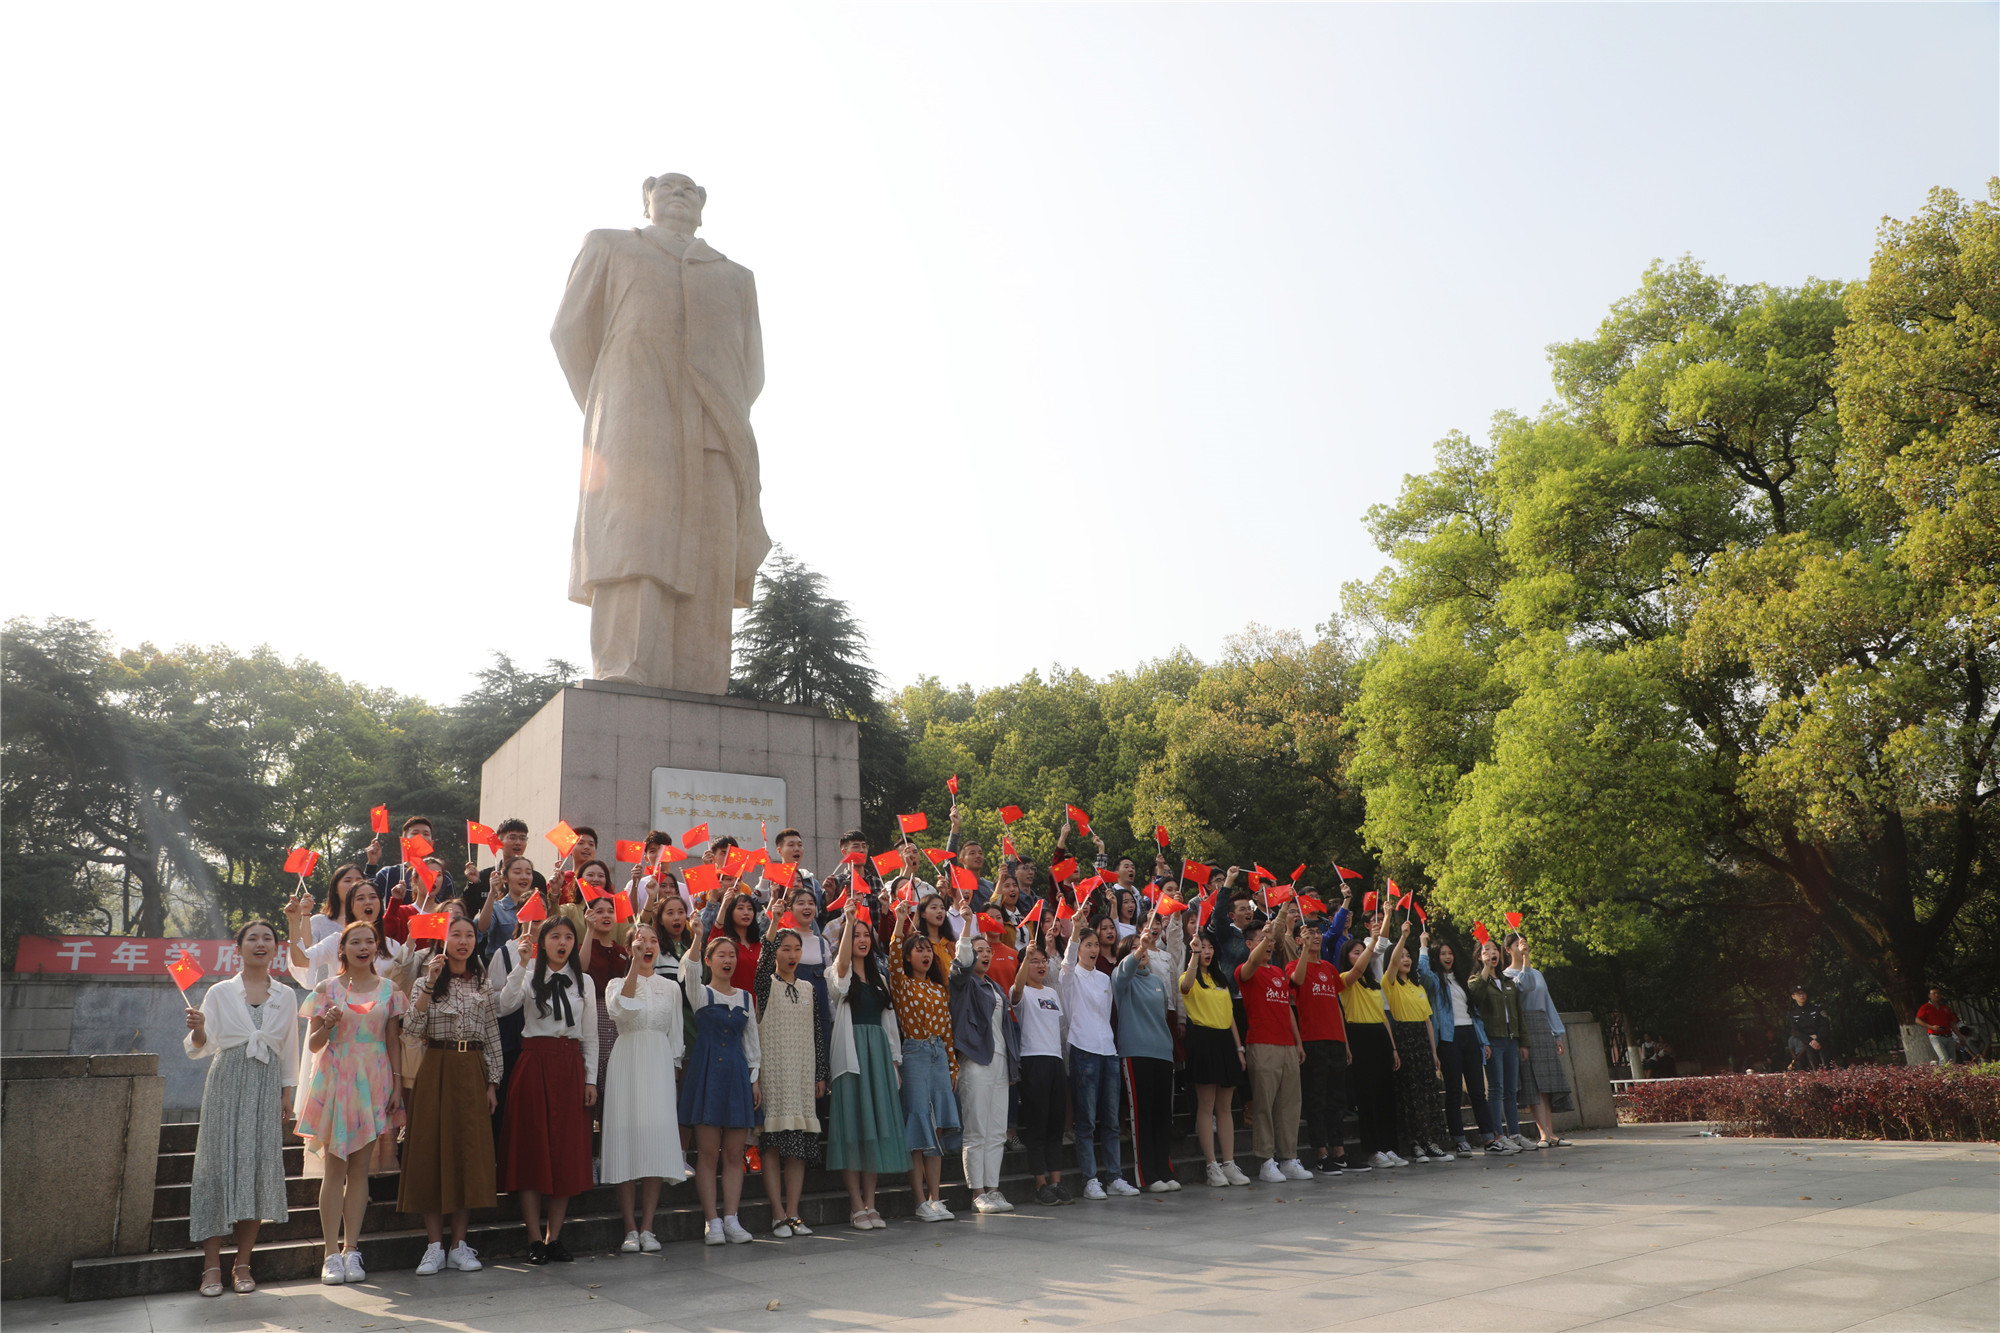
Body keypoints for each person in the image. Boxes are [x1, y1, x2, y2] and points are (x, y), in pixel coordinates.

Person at [184, 920, 297, 1297]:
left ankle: (243, 1263)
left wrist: (288, 1090)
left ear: (276, 948)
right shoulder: (219, 992)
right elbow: (202, 1044)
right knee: (215, 1168)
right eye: (253, 938)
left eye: (268, 938)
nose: (260, 944)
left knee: (256, 1167)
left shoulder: (285, 994)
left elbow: (290, 1047)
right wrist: (198, 1026)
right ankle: (211, 1267)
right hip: (226, 1080)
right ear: (239, 948)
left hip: (266, 1084)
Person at [296, 920, 405, 1286]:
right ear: (341, 949)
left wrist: (397, 1086)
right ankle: (330, 1253)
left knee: (361, 1169)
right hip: (336, 1075)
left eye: (369, 941)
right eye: (354, 941)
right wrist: (326, 1023)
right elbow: (313, 1044)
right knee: (334, 1169)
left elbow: (393, 1041)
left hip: (374, 1079)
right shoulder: (327, 988)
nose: (363, 947)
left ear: (377, 948)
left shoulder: (390, 990)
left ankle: (351, 1249)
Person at [399, 916, 502, 1276]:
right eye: (455, 934)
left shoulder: (483, 982)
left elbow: (491, 1032)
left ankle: (460, 1244)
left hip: (472, 1068)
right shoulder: (425, 980)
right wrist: (427, 983)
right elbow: (411, 1027)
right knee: (431, 1151)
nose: (462, 941)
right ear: (444, 940)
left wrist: (493, 1082)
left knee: (467, 1154)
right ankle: (433, 1247)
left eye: (468, 935)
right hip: (436, 1067)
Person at [494, 915, 599, 1263]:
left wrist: (590, 1079)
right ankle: (534, 1238)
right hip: (534, 1063)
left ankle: (556, 1237)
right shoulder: (529, 974)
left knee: (565, 1154)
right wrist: (521, 964)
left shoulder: (583, 981)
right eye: (555, 936)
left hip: (569, 1066)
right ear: (543, 942)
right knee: (532, 1149)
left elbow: (591, 1036)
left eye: (569, 936)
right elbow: (504, 1005)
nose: (563, 942)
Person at [601, 922, 687, 1253]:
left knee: (654, 1142)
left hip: (658, 1062)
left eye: (653, 941)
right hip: (627, 1060)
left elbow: (676, 1035)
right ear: (630, 947)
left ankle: (649, 1226)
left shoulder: (671, 987)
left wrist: (674, 1070)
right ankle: (630, 1228)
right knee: (626, 1141)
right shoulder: (616, 984)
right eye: (640, 940)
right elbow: (618, 1011)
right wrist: (634, 965)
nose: (647, 945)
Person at [680, 911, 761, 1245]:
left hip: (737, 1076)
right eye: (721, 955)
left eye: (732, 955)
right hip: (707, 1074)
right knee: (709, 1154)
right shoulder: (701, 994)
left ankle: (731, 1218)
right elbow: (690, 971)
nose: (728, 960)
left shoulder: (745, 997)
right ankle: (711, 1221)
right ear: (711, 961)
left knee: (733, 1154)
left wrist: (754, 1079)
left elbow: (752, 1043)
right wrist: (698, 937)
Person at [826, 902, 906, 1229]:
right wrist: (847, 921)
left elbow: (890, 1026)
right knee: (852, 1129)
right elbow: (842, 973)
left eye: (865, 934)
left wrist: (895, 1063)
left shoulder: (880, 979)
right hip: (852, 1055)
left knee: (874, 1131)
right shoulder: (838, 973)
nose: (862, 939)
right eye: (855, 934)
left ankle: (871, 1202)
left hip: (878, 1059)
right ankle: (855, 1204)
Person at [887, 898, 961, 1221]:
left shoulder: (938, 988)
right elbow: (891, 959)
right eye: (918, 950)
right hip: (915, 1053)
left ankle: (936, 1197)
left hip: (938, 1057)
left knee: (938, 1131)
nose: (926, 954)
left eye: (927, 950)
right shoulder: (902, 983)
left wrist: (952, 1065)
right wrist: (900, 923)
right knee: (918, 1128)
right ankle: (919, 1201)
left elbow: (947, 1030)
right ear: (908, 956)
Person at [753, 923, 829, 1237]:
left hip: (801, 1075)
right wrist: (774, 924)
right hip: (774, 1074)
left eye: (797, 949)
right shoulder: (765, 984)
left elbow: (817, 1034)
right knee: (772, 1147)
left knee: (798, 1148)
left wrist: (820, 1074)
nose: (792, 954)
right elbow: (762, 960)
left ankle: (794, 1213)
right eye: (786, 948)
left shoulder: (809, 988)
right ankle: (778, 1214)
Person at [950, 894, 1020, 1212]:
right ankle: (977, 1192)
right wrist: (967, 926)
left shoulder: (994, 987)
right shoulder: (963, 983)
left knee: (996, 1131)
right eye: (979, 951)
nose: (985, 955)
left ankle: (994, 1189)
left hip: (1001, 1062)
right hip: (976, 1060)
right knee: (976, 1129)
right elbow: (961, 961)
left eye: (988, 950)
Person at [1059, 903, 1133, 1199]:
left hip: (1107, 1050)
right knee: (1087, 1120)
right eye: (1087, 944)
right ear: (1078, 948)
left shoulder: (1105, 978)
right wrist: (1076, 930)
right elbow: (1065, 962)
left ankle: (1114, 1176)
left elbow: (1106, 1014)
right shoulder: (1070, 977)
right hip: (1083, 1050)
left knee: (1112, 1119)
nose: (1092, 949)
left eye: (1094, 945)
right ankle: (1091, 1179)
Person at [1235, 904, 1314, 1183]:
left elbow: (1291, 1000)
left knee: (1290, 1104)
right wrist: (1269, 935)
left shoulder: (1279, 973)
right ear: (1249, 944)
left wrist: (1298, 1042)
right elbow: (1252, 963)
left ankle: (1289, 1157)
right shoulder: (1246, 971)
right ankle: (1266, 1160)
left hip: (1287, 1046)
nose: (1268, 946)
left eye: (1269, 942)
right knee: (1264, 1105)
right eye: (1261, 941)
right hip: (1262, 1044)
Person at [1295, 907, 1371, 1175]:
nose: (1316, 937)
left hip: (1336, 1041)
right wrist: (1305, 950)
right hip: (1312, 1041)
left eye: (1318, 932)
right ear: (1298, 940)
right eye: (1309, 933)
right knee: (1316, 1099)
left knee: (1337, 1100)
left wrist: (1346, 1043)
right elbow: (1298, 980)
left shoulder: (1329, 967)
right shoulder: (1295, 965)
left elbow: (1340, 1000)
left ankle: (1339, 1152)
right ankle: (1321, 1153)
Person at [1181, 930, 1248, 1186]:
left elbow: (1230, 1015)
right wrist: (1194, 956)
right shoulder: (1189, 978)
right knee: (1206, 1105)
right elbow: (1186, 986)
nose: (1207, 951)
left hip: (1225, 1043)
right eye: (1202, 947)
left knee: (1226, 1107)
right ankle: (1212, 1165)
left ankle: (1229, 1163)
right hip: (1203, 1041)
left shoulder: (1221, 980)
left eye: (1209, 947)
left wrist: (1239, 1049)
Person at [1419, 936, 1496, 1156]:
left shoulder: (1461, 980)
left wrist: (1483, 1041)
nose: (1448, 957)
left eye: (1450, 953)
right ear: (1436, 956)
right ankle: (1460, 1140)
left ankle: (1489, 1138)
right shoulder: (1433, 981)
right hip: (1448, 1038)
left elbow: (1474, 1012)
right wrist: (1423, 946)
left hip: (1470, 1035)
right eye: (1443, 953)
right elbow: (1422, 973)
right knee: (1453, 1091)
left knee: (1478, 1091)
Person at [1011, 923, 1071, 1204]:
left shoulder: (1051, 993)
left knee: (1055, 1125)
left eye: (1042, 961)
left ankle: (1057, 1182)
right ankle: (1040, 1184)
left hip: (1056, 1061)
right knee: (1037, 1125)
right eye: (1033, 961)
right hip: (1033, 1061)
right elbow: (1016, 991)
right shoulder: (1021, 991)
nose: (1040, 965)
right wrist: (1025, 959)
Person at [1383, 931, 1452, 1162]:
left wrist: (1434, 1052)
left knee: (1427, 1094)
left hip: (1422, 1040)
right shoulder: (1390, 983)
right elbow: (1392, 963)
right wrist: (1402, 937)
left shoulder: (1418, 987)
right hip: (1404, 1038)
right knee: (1409, 1094)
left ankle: (1429, 1140)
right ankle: (1414, 1143)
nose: (1405, 959)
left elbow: (1428, 1021)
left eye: (1408, 955)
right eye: (1400, 956)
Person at [1338, 926, 1404, 1168]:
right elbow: (1357, 969)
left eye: (1361, 951)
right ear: (1346, 957)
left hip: (1380, 1035)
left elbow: (1383, 1016)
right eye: (1355, 952)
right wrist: (1372, 942)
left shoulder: (1374, 984)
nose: (1360, 956)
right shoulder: (1344, 979)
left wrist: (1393, 1048)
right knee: (1368, 1096)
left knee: (1385, 1094)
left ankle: (1389, 1147)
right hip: (1359, 1035)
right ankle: (1373, 1150)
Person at [1505, 933, 1573, 1148]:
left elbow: (1548, 1003)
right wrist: (1525, 961)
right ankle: (1543, 1133)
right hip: (1524, 1026)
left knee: (1547, 1083)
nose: (1522, 946)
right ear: (1508, 950)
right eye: (1517, 944)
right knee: (1532, 1082)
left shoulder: (1538, 973)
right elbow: (1524, 986)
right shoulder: (1506, 975)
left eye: (1524, 943)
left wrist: (1557, 1033)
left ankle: (1551, 1132)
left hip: (1542, 1024)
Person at [1467, 939, 1526, 1153]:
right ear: (1478, 956)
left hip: (1511, 1039)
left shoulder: (1507, 981)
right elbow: (1475, 995)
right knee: (1496, 1089)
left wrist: (1523, 1041)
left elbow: (1518, 1013)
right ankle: (1497, 1134)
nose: (1492, 953)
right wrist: (1485, 967)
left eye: (1494, 950)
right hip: (1492, 1040)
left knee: (1511, 1090)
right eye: (1486, 950)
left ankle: (1515, 1133)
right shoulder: (1477, 979)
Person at [460, 820, 548, 917]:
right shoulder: (484, 877)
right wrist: (473, 884)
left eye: (522, 838)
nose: (518, 842)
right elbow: (467, 914)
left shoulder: (536, 879)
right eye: (512, 838)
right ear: (499, 842)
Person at [1786, 986, 1833, 1069]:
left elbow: (1825, 1026)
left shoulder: (1817, 1008)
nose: (1801, 996)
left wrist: (1818, 1040)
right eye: (1798, 994)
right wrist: (1810, 1041)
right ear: (1793, 996)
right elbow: (1796, 1031)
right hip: (1808, 1044)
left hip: (1822, 1042)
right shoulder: (1793, 1013)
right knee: (1814, 1070)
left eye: (1803, 993)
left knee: (1827, 1068)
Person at [1915, 988, 1960, 1065]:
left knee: (1952, 1059)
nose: (1937, 995)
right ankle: (1942, 1075)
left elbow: (1952, 1022)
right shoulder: (1926, 1007)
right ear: (1929, 996)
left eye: (1938, 993)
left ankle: (1951, 1075)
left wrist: (1959, 1035)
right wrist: (1931, 1027)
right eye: (1934, 993)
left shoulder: (1945, 1008)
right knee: (1944, 1058)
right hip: (1936, 1036)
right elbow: (1918, 1020)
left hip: (1948, 1036)